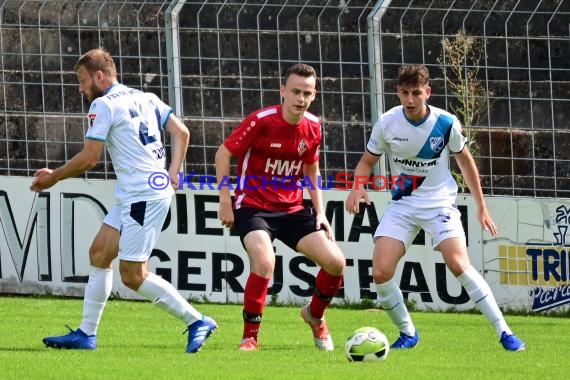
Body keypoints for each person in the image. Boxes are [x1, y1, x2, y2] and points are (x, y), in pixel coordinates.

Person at [30, 48, 217, 353]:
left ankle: (197, 320)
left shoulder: (103, 105)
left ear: (99, 76)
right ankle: (86, 335)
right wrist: (174, 173)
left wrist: (54, 176)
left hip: (143, 197)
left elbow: (90, 158)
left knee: (133, 275)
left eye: (82, 79)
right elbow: (182, 132)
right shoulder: (147, 98)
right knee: (100, 253)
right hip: (139, 193)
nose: (80, 88)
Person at [345, 64, 526, 352]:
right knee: (380, 272)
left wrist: (482, 207)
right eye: (404, 93)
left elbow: (465, 162)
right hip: (403, 205)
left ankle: (504, 332)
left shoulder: (446, 123)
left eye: (416, 93)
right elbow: (367, 160)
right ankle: (408, 333)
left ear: (427, 92)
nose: (410, 99)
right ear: (398, 93)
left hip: (439, 203)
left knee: (458, 264)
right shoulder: (387, 122)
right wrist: (358, 187)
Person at [215, 63, 346, 351]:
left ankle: (314, 315)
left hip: (292, 210)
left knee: (337, 263)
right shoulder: (261, 121)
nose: (301, 98)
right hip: (253, 207)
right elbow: (223, 154)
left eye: (307, 93)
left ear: (314, 95)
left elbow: (312, 171)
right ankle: (250, 337)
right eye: (296, 91)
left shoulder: (313, 126)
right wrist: (225, 201)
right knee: (264, 263)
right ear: (283, 92)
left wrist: (320, 213)